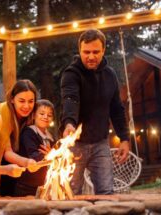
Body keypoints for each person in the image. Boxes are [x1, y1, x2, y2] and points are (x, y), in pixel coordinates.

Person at [60, 29, 130, 195]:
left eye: (96, 52)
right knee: (70, 192)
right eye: (86, 52)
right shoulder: (71, 74)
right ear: (79, 50)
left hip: (100, 143)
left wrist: (125, 138)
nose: (91, 57)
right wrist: (69, 123)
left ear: (103, 50)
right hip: (75, 143)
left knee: (106, 191)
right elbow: (70, 99)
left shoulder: (110, 75)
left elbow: (117, 110)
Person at [0, 79, 41, 196]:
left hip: (16, 167)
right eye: (21, 101)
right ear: (12, 99)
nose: (26, 106)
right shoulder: (3, 111)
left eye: (31, 101)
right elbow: (6, 152)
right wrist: (27, 162)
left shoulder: (31, 116)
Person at [14, 99, 55, 196]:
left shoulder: (51, 138)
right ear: (33, 115)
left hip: (43, 185)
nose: (46, 117)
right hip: (26, 186)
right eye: (42, 113)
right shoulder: (28, 133)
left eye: (49, 115)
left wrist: (53, 155)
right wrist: (51, 155)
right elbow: (34, 156)